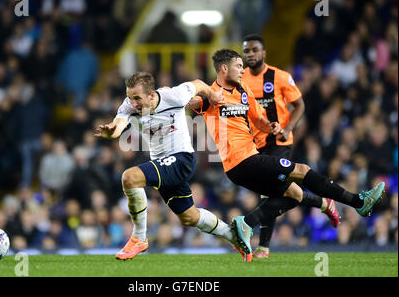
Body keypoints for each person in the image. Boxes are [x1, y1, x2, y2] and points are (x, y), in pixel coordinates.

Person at [187, 49, 385, 259]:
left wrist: (270, 126)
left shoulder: (243, 90)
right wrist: (198, 94)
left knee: (295, 195)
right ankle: (358, 202)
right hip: (241, 161)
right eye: (238, 66)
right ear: (224, 68)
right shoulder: (210, 97)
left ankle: (247, 222)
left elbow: (258, 118)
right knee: (302, 170)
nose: (242, 70)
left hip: (245, 163)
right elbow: (186, 101)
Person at [94, 71, 252, 261]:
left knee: (130, 177)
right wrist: (111, 132)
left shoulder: (174, 96)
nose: (133, 102)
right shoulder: (129, 105)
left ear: (152, 94)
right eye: (130, 97)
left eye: (137, 98)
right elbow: (118, 125)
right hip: (163, 165)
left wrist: (212, 95)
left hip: (181, 159)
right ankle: (235, 236)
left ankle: (139, 237)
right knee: (189, 217)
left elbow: (198, 83)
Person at [240, 34, 340, 259]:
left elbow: (299, 105)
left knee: (272, 193)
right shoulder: (240, 80)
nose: (251, 54)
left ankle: (260, 244)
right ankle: (323, 202)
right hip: (255, 144)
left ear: (263, 53)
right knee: (284, 193)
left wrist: (287, 128)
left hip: (280, 142)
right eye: (246, 51)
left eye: (255, 50)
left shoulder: (280, 77)